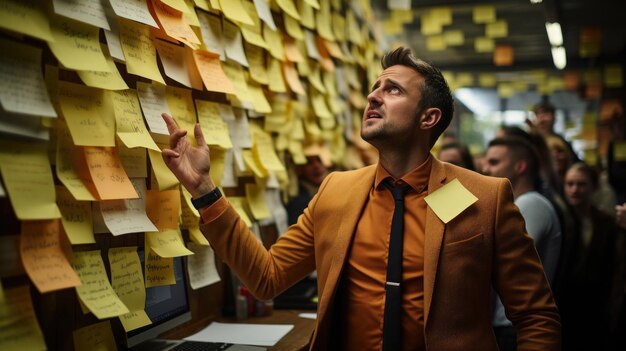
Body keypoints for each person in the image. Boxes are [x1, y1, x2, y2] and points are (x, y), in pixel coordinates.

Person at [161, 47, 560, 350]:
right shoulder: (337, 189)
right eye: (374, 88)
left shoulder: (484, 198)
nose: (373, 97)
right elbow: (267, 277)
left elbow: (536, 316)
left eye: (393, 89)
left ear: (428, 118)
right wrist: (204, 191)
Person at [483, 137, 562, 351]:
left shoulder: (530, 203)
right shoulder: (519, 204)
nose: (485, 169)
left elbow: (499, 257)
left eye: (494, 162)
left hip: (514, 324)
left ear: (520, 167)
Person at [560, 162, 622, 350]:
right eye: (570, 184)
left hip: (595, 304)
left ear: (593, 187)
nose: (574, 190)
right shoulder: (560, 219)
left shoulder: (606, 223)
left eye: (581, 184)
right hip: (566, 302)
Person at [286, 153, 329, 225]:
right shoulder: (298, 201)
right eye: (308, 162)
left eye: (319, 160)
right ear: (299, 169)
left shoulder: (337, 187)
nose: (316, 166)